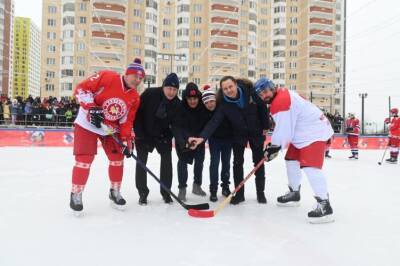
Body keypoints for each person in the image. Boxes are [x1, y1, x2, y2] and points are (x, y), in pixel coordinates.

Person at [69, 58, 144, 214]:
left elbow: (126, 121)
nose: (137, 80)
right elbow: (82, 89)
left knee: (118, 159)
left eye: (141, 78)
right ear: (127, 74)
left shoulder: (135, 97)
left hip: (109, 128)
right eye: (135, 76)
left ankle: (114, 192)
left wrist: (126, 141)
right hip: (87, 123)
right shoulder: (107, 76)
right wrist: (91, 107)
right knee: (84, 159)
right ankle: (76, 193)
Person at [254, 77, 334, 223]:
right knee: (291, 160)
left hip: (314, 133)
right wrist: (275, 146)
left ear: (272, 88)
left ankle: (324, 205)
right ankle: (294, 193)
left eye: (265, 91)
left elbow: (284, 131)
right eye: (260, 94)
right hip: (302, 134)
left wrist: (274, 147)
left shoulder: (281, 101)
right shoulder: (280, 96)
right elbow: (284, 128)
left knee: (311, 167)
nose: (263, 96)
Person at [189, 76, 270, 205]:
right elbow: (214, 122)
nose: (228, 90)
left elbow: (262, 107)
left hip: (256, 131)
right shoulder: (224, 104)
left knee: (258, 163)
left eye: (230, 86)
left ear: (236, 85)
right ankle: (240, 194)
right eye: (225, 88)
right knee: (237, 164)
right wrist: (202, 138)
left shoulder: (250, 92)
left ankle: (260, 193)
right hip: (239, 134)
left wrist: (266, 125)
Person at [133, 73, 181, 205]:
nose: (171, 92)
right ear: (163, 86)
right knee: (141, 163)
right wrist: (139, 134)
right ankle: (142, 193)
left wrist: (167, 137)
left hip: (162, 137)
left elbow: (176, 125)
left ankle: (166, 192)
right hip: (144, 134)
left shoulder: (177, 104)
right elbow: (137, 114)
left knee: (167, 162)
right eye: (169, 88)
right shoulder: (150, 93)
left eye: (174, 90)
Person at [172, 82, 209, 202]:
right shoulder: (180, 107)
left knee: (199, 162)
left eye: (195, 98)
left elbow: (206, 125)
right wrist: (187, 141)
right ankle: (182, 188)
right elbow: (177, 127)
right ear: (186, 98)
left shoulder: (203, 107)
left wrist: (199, 140)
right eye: (190, 99)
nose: (193, 101)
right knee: (182, 163)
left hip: (198, 141)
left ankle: (197, 186)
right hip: (184, 141)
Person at [201, 85, 233, 202]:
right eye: (207, 102)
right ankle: (213, 190)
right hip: (214, 141)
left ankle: (225, 187)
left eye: (212, 101)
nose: (210, 104)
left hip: (227, 140)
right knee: (214, 164)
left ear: (215, 100)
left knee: (226, 164)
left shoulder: (222, 108)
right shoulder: (204, 113)